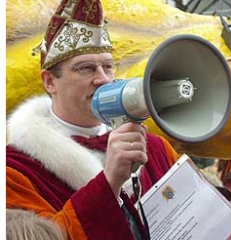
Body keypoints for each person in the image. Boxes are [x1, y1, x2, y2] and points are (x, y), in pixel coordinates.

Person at [6, 0, 179, 239]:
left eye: (107, 67)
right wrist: (108, 183)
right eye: (85, 68)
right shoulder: (14, 171)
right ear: (49, 81)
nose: (103, 79)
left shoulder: (158, 149)